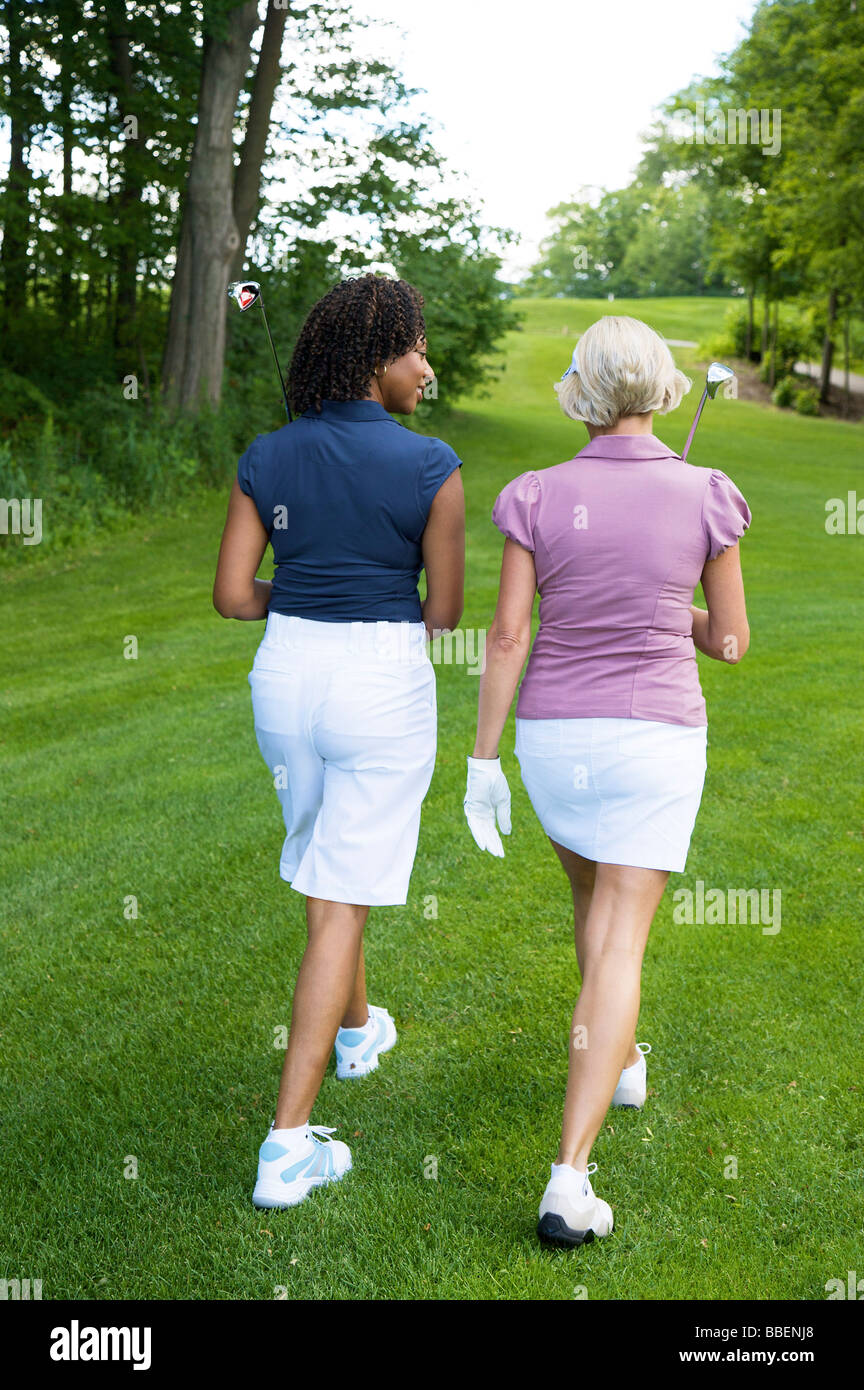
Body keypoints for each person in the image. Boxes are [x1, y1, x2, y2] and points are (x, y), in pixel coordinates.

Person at [463, 315, 751, 1247]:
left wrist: (480, 760)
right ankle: (569, 1180)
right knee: (621, 936)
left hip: (555, 739)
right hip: (655, 737)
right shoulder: (705, 491)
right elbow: (732, 644)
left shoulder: (537, 492)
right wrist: (688, 608)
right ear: (662, 386)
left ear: (583, 390)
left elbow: (507, 636)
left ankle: (620, 1054)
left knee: (591, 905)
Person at [213, 274, 465, 1209]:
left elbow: (236, 596)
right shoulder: (431, 464)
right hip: (378, 684)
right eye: (416, 350)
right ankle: (287, 1147)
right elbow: (442, 613)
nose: (426, 368)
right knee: (339, 899)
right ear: (374, 360)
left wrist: (309, 598)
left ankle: (359, 1033)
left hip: (285, 679)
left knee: (328, 870)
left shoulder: (266, 455)